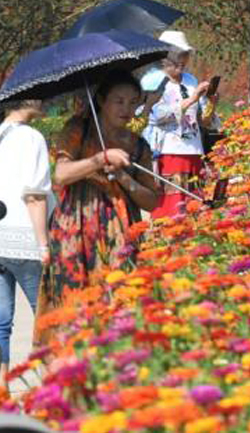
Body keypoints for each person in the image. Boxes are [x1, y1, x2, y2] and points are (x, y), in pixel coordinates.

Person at [36, 70, 163, 348]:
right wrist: (98, 160)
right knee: (74, 309)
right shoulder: (78, 130)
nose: (127, 109)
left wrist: (125, 178)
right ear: (102, 100)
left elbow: (153, 201)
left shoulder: (138, 145)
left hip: (120, 235)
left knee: (119, 304)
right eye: (119, 101)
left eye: (133, 102)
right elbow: (61, 174)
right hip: (74, 231)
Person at [0, 100, 50, 384]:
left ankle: (2, 391)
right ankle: (54, 387)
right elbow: (34, 196)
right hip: (25, 239)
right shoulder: (32, 137)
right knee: (46, 317)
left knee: (0, 322)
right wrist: (44, 245)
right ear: (26, 100)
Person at [144, 31, 219, 219]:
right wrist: (193, 98)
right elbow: (159, 115)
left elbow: (204, 121)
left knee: (195, 202)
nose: (182, 60)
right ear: (164, 56)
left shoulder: (191, 80)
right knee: (173, 205)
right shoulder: (153, 81)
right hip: (168, 151)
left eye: (185, 54)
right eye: (177, 54)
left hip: (193, 149)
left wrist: (211, 102)